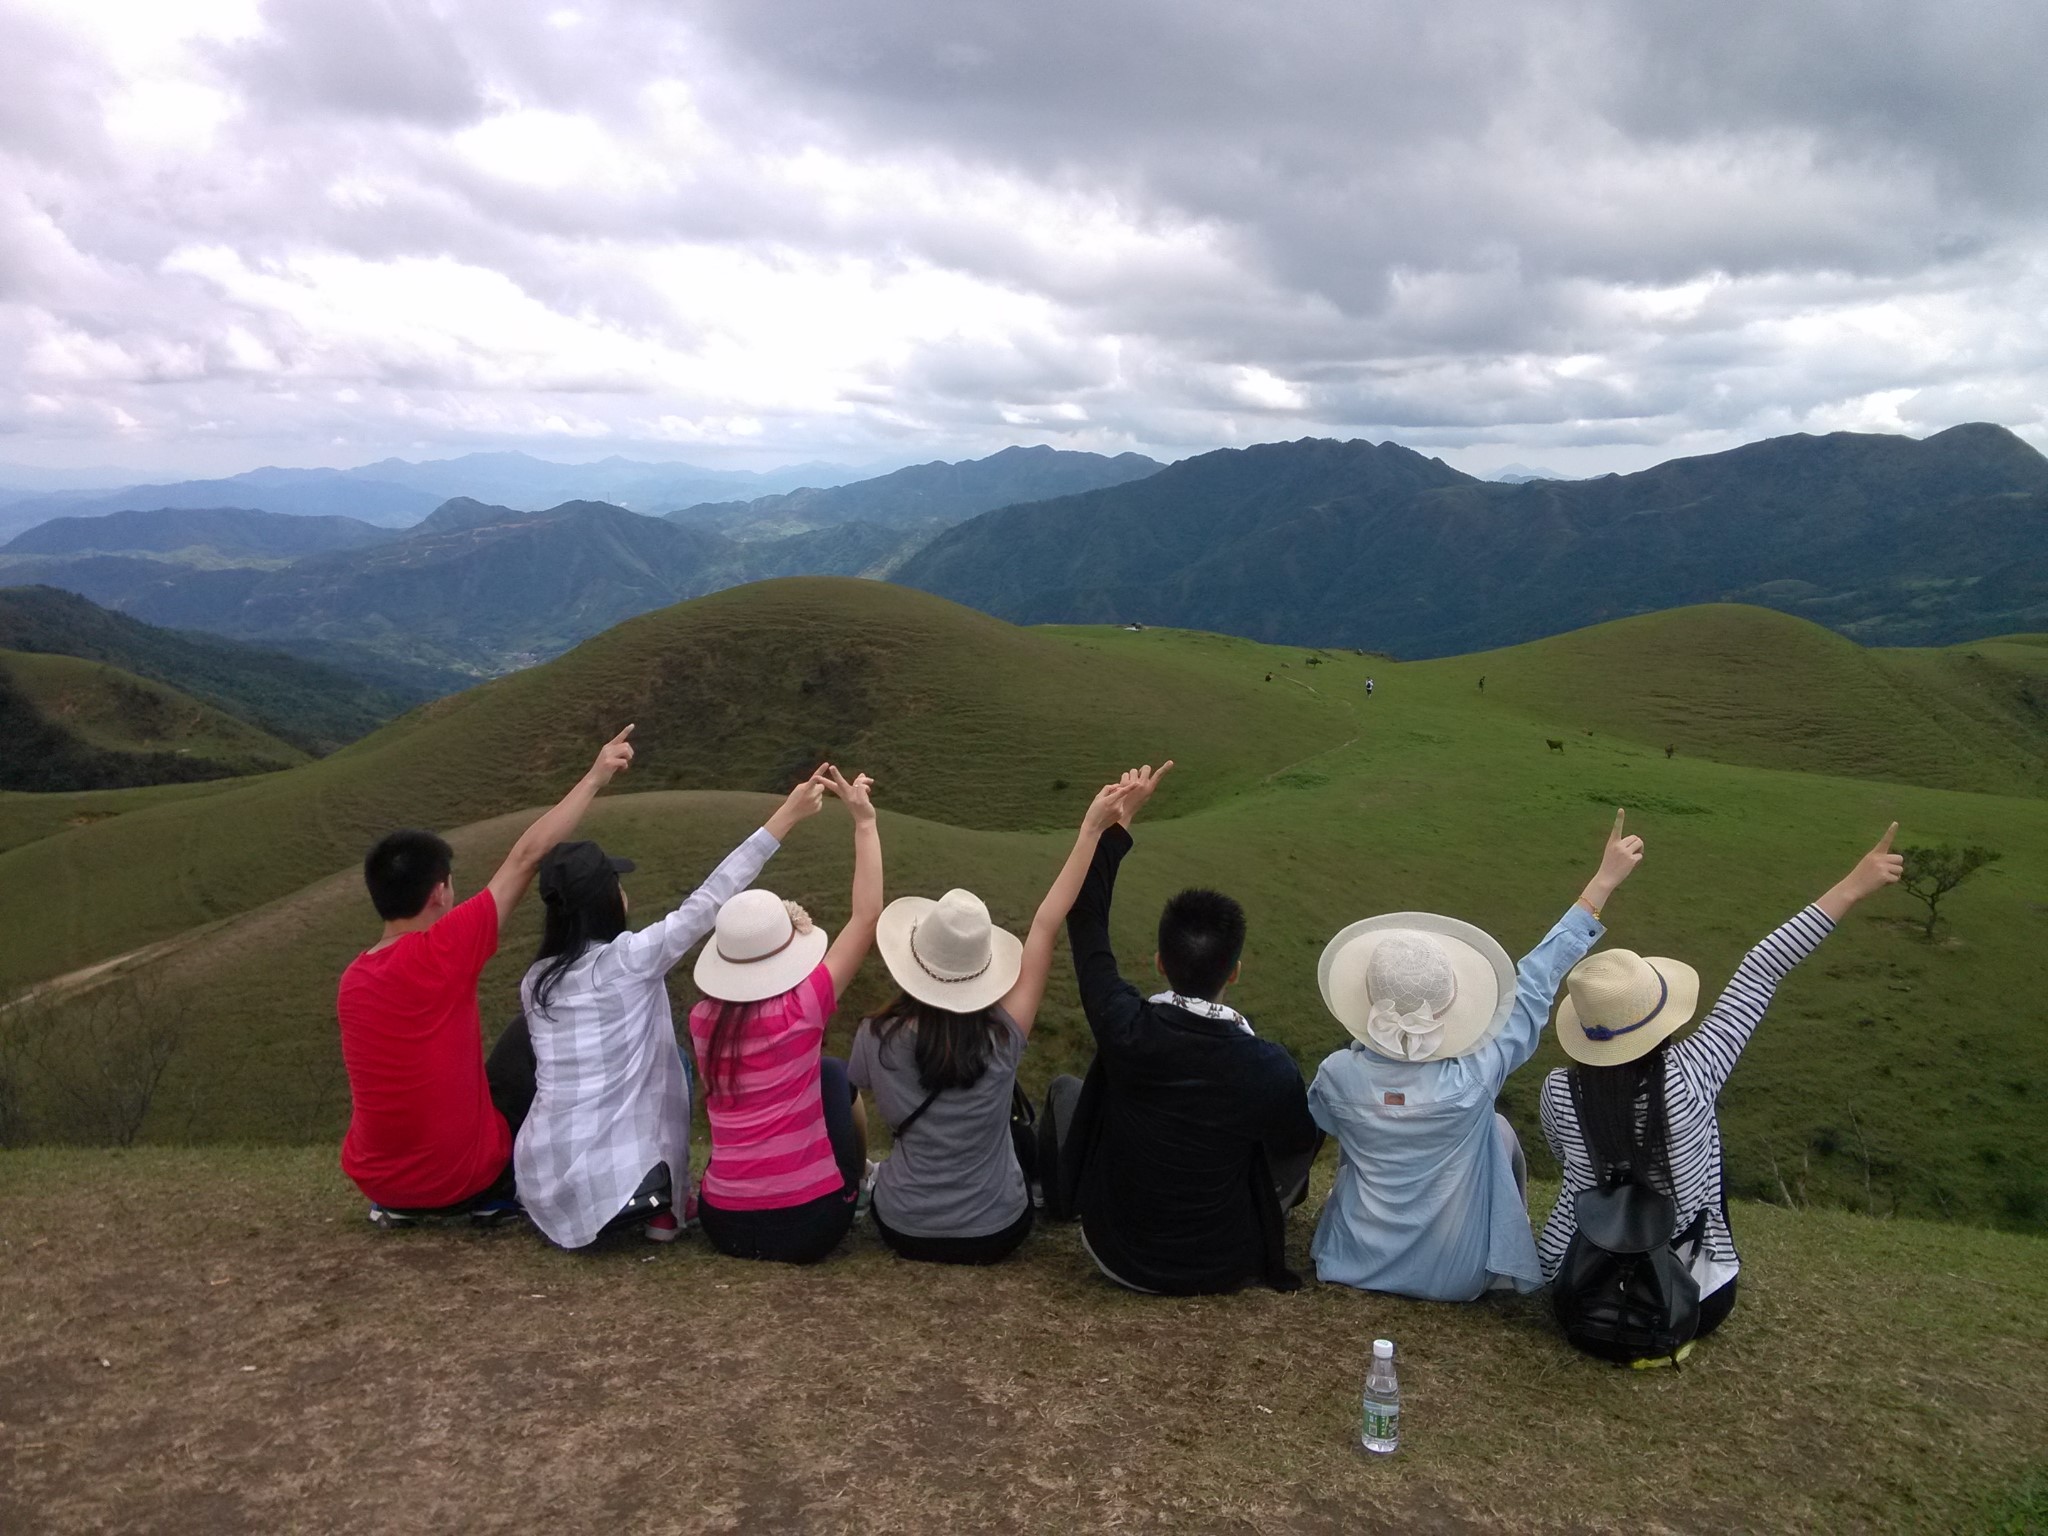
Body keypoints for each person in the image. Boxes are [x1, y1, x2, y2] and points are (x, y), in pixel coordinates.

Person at [1538, 823, 1904, 1343]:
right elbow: (1761, 969)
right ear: (1659, 1021)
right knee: (1706, 1150)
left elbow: (1562, 1154)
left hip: (1575, 1288)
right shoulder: (1696, 1071)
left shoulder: (1558, 1091)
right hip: (1685, 1298)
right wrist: (1851, 885)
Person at [1304, 810, 1643, 1300]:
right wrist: (1602, 882)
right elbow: (1534, 985)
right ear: (1451, 1006)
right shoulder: (1473, 1077)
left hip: (1349, 1259)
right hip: (1454, 1275)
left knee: (1490, 1130)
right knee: (1497, 1128)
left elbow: (1323, 1121)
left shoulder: (1337, 1076)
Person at [512, 769, 837, 1249]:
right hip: (617, 1184)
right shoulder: (631, 959)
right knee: (675, 1064)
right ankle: (664, 1204)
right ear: (607, 899)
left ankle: (644, 1195)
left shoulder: (535, 981)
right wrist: (786, 816)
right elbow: (710, 899)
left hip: (542, 1178)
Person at [1042, 762, 1323, 1295]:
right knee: (1298, 1123)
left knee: (1067, 1091)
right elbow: (1295, 1142)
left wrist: (1114, 827)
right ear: (1234, 972)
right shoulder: (1267, 1065)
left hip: (1116, 1252)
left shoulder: (1124, 1023)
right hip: (1222, 1262)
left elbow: (1087, 921)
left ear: (1159, 963)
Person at [337, 725, 636, 1225]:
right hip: (460, 1181)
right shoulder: (444, 949)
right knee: (536, 1028)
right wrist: (595, 776)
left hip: (380, 1183)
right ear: (439, 893)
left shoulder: (352, 979)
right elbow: (527, 855)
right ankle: (539, 1180)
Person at [850, 777, 1141, 1266]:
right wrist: (1096, 829)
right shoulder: (1004, 1033)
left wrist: (861, 1168)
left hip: (903, 1225)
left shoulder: (876, 1037)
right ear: (982, 968)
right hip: (996, 1229)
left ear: (915, 956)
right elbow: (1047, 922)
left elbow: (848, 1090)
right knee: (1024, 1134)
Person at [688, 765, 881, 1265]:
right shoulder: (806, 1002)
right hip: (809, 1225)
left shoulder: (702, 1020)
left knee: (823, 1072)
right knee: (832, 1072)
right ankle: (858, 1182)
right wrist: (864, 822)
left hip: (722, 1222)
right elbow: (866, 916)